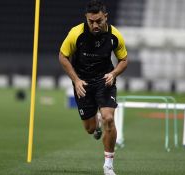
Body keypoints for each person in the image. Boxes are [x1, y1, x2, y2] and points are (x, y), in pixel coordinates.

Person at [59, 0, 128, 174]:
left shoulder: (115, 35)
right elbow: (62, 56)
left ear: (106, 17)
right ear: (86, 18)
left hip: (105, 80)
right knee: (90, 129)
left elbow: (124, 60)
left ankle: (108, 165)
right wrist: (75, 80)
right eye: (91, 21)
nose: (95, 25)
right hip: (82, 83)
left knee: (109, 118)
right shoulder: (76, 33)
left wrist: (113, 74)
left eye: (98, 21)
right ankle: (96, 124)